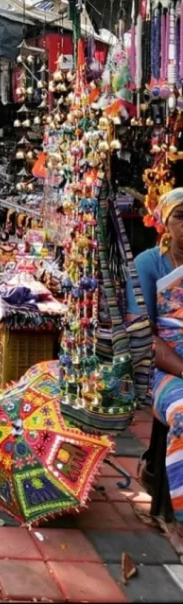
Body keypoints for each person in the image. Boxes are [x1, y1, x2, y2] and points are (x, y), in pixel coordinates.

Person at [133, 187, 183, 532]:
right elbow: (144, 336)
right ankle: (178, 518)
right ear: (165, 222)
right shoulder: (149, 264)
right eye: (180, 217)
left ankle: (154, 469)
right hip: (161, 369)